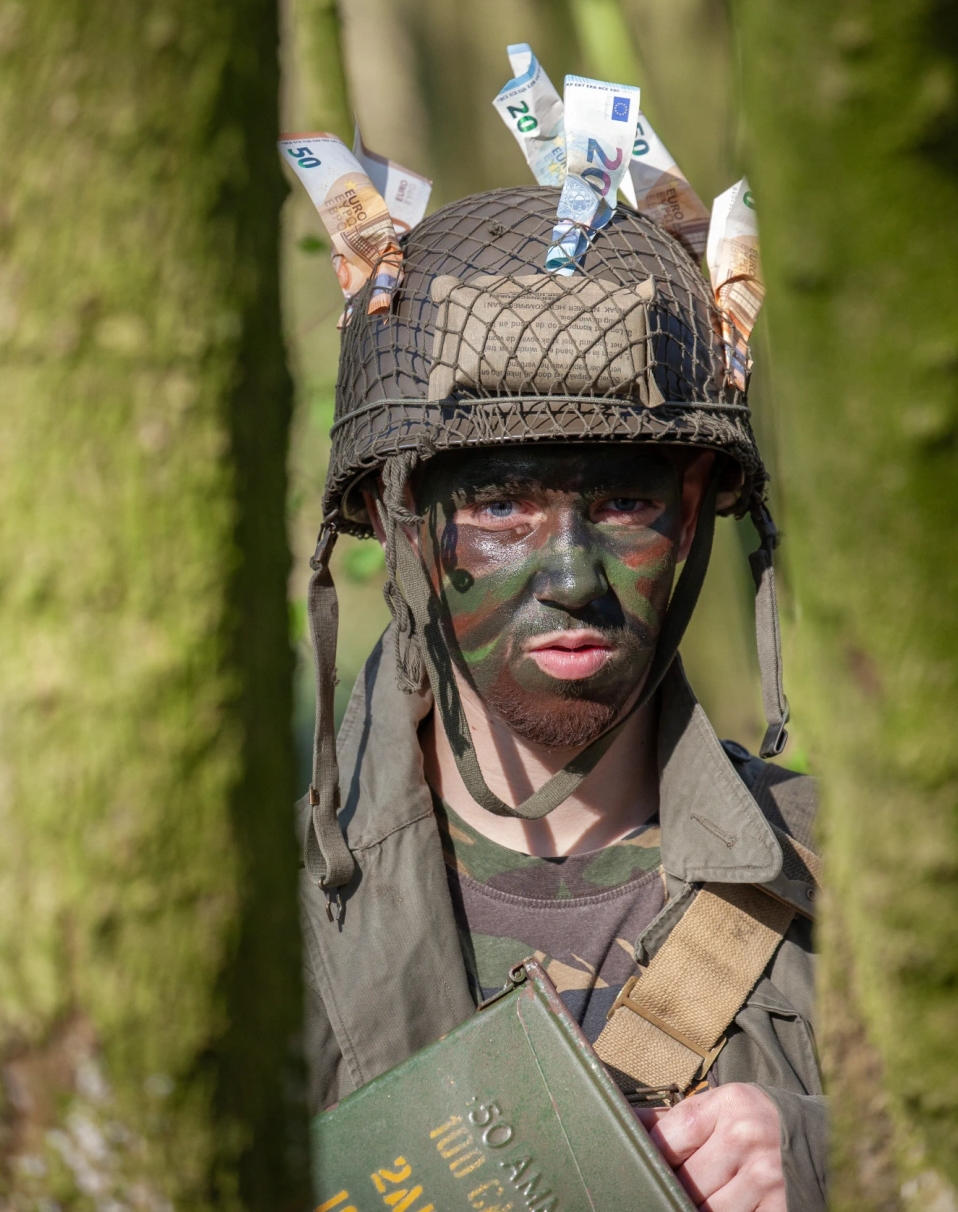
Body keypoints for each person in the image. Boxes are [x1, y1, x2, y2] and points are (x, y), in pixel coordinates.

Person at [300, 187, 825, 1212]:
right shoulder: (241, 928)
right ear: (391, 516)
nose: (573, 578)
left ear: (695, 517)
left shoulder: (874, 896)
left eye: (626, 500)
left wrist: (839, 1164)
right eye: (501, 503)